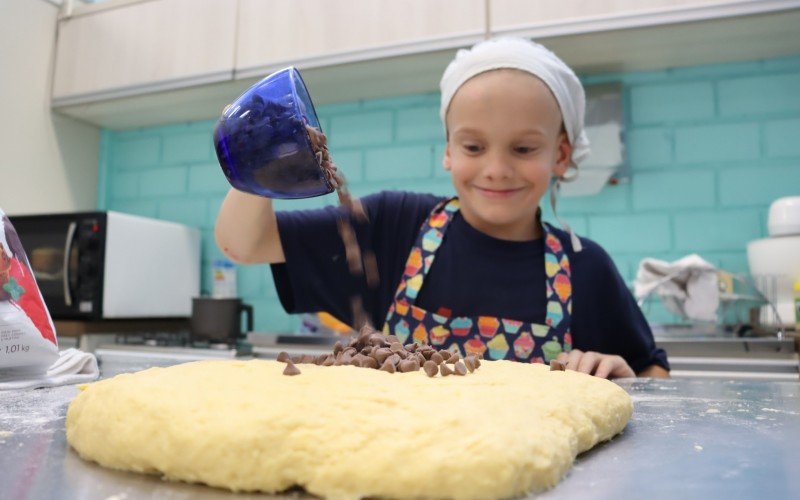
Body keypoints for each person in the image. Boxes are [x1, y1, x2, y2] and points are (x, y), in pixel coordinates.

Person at [215, 37, 670, 379]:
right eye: (473, 146)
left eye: (524, 148)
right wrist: (264, 153)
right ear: (448, 150)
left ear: (561, 155)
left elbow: (654, 375)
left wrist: (622, 378)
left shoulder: (586, 267)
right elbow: (244, 243)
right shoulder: (396, 226)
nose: (496, 169)